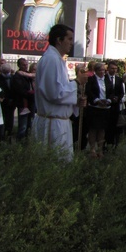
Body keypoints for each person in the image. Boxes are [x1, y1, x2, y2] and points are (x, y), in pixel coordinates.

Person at [32, 24, 87, 160]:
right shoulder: (51, 60)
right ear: (59, 40)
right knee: (54, 164)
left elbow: (60, 89)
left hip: (60, 122)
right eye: (69, 39)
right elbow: (54, 93)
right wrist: (77, 82)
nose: (71, 43)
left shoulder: (58, 60)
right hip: (52, 124)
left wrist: (75, 101)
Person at [85, 61, 112, 157]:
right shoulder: (91, 79)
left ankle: (100, 149)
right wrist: (97, 100)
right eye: (100, 70)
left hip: (105, 107)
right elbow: (89, 91)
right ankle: (92, 149)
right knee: (93, 129)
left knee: (102, 129)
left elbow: (110, 91)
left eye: (104, 70)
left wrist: (108, 100)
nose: (102, 72)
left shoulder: (107, 79)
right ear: (96, 71)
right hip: (95, 107)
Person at [12, 57, 35, 141]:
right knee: (23, 125)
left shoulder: (28, 75)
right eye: (23, 65)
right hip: (23, 103)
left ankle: (28, 140)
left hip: (31, 102)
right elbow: (20, 90)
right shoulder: (17, 76)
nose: (25, 66)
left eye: (26, 64)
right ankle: (20, 142)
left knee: (31, 124)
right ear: (19, 65)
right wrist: (29, 92)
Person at [0, 62, 16, 141]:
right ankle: (1, 136)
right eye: (5, 71)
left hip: (12, 103)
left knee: (10, 120)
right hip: (2, 103)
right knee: (2, 120)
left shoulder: (13, 78)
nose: (7, 73)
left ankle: (9, 134)